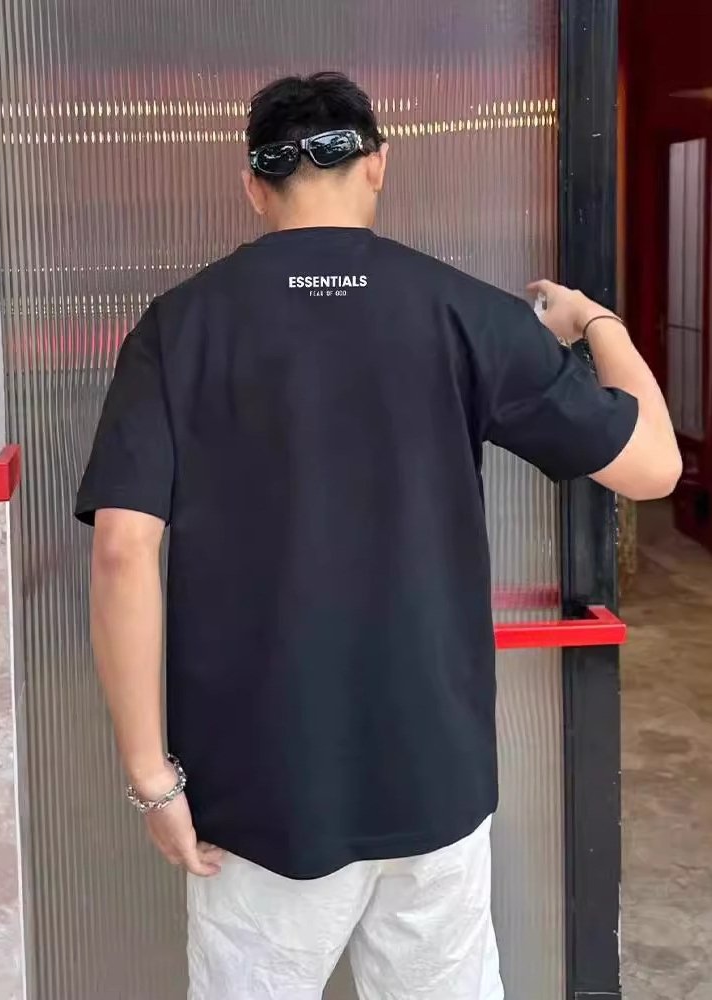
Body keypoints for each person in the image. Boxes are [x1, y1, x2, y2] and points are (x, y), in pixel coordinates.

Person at [75, 72, 681, 1000]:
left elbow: (122, 550)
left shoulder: (179, 326)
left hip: (258, 788)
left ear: (253, 185)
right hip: (431, 771)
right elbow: (652, 468)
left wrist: (153, 779)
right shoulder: (464, 312)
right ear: (378, 166)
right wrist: (597, 323)